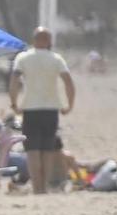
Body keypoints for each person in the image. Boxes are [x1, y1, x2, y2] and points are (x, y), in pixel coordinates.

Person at [11, 27, 76, 195]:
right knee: (47, 149)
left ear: (34, 40)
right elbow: (68, 82)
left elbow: (14, 79)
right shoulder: (56, 59)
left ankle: (36, 186)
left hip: (30, 108)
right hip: (51, 108)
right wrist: (69, 104)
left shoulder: (23, 57)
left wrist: (14, 102)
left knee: (32, 149)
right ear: (49, 41)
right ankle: (44, 186)